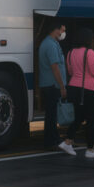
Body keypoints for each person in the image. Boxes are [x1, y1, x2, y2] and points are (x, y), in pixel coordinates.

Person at [61, 27, 94, 159]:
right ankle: (90, 149)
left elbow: (70, 71)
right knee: (91, 120)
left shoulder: (70, 53)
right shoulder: (90, 52)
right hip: (88, 89)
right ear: (88, 39)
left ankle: (67, 141)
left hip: (73, 88)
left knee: (79, 117)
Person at [38, 21, 70, 153]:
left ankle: (53, 139)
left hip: (50, 84)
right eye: (62, 30)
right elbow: (55, 67)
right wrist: (62, 86)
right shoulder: (50, 45)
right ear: (55, 30)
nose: (63, 33)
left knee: (52, 114)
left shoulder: (52, 43)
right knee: (51, 115)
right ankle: (51, 141)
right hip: (52, 85)